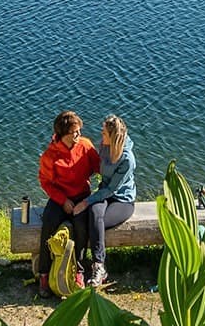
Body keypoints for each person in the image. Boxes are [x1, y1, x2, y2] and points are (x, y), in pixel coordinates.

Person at [36, 110, 100, 298]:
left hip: (82, 196)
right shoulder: (50, 155)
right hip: (60, 197)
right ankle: (44, 274)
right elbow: (45, 182)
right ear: (63, 134)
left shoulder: (85, 145)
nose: (79, 135)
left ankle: (79, 271)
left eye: (79, 131)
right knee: (48, 223)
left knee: (81, 225)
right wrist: (63, 201)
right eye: (75, 133)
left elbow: (99, 167)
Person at [73, 114, 136, 288]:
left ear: (113, 137)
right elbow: (96, 169)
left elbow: (112, 190)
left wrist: (86, 201)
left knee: (95, 219)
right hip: (104, 192)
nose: (101, 136)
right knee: (93, 214)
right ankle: (80, 265)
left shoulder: (127, 159)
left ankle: (99, 266)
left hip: (123, 200)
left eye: (104, 133)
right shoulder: (104, 146)